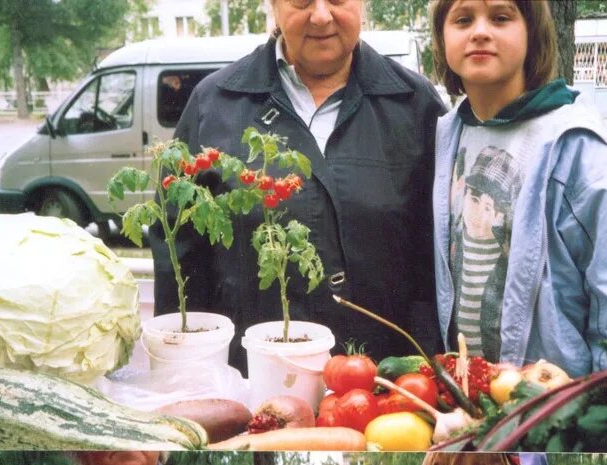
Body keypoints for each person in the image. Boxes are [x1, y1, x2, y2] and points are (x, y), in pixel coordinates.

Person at [150, 0, 446, 373]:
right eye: (301, 0)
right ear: (273, 6)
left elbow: (439, 259)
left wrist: (425, 368)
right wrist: (188, 375)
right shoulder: (214, 105)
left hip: (387, 389)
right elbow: (179, 253)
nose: (321, 15)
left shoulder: (414, 105)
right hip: (252, 383)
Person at [429, 0, 607, 377]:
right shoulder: (448, 134)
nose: (480, 31)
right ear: (441, 38)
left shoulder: (578, 146)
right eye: (463, 19)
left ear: (533, 33)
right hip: (471, 404)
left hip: (555, 410)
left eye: (501, 17)